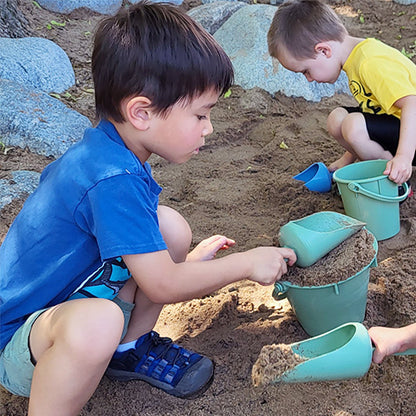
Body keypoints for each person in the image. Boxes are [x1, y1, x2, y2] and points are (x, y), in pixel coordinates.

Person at [0, 2, 296, 414]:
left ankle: (126, 348)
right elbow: (161, 285)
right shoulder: (112, 179)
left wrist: (183, 265)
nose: (208, 128)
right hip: (21, 341)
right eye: (200, 114)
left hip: (68, 305)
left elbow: (154, 267)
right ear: (141, 112)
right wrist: (245, 264)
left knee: (169, 228)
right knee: (98, 322)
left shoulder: (111, 151)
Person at [267, 0, 416, 186]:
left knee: (353, 124)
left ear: (323, 50)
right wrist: (346, 160)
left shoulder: (370, 62)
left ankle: (393, 181)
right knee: (337, 119)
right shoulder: (355, 60)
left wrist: (403, 157)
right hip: (400, 127)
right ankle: (383, 168)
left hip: (412, 134)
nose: (309, 79)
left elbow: (412, 103)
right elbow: (374, 116)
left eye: (306, 71)